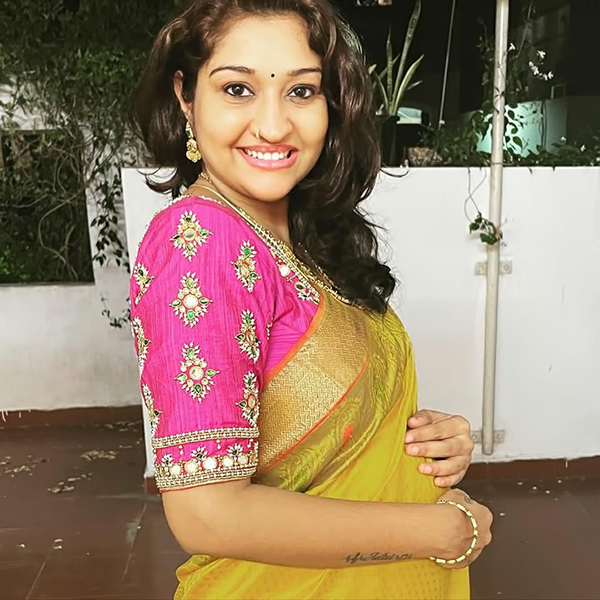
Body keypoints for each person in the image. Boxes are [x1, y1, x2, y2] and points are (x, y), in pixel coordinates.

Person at [130, 0, 493, 598]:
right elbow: (207, 513)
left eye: (301, 91)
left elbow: (318, 410)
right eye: (238, 89)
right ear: (186, 97)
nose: (273, 126)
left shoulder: (301, 239)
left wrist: (424, 444)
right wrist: (441, 530)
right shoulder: (200, 241)